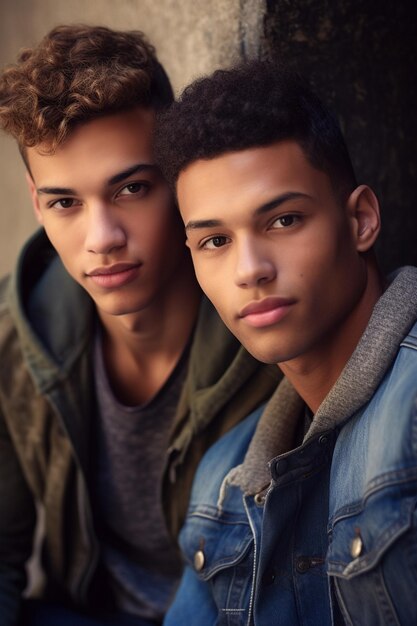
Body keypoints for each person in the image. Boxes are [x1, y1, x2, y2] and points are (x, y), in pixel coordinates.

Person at [0, 29, 279, 626]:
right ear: (34, 200)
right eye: (64, 203)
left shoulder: (269, 330)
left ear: (178, 179)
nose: (102, 239)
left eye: (131, 188)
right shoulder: (13, 339)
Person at [155, 60, 417, 625]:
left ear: (361, 220)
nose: (249, 270)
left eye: (283, 221)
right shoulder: (223, 485)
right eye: (215, 240)